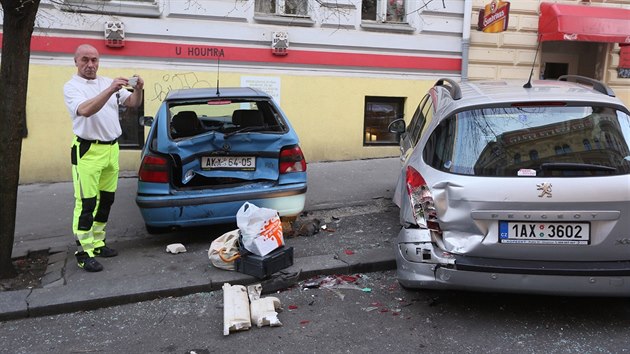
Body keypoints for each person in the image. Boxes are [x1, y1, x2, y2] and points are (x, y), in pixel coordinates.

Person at [63, 44, 144, 272]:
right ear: (76, 61)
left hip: (111, 149)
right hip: (88, 150)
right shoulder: (72, 87)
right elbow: (86, 110)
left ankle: (97, 243)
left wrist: (138, 89)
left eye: (94, 60)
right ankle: (83, 251)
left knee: (106, 200)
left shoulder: (106, 82)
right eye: (85, 60)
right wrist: (110, 90)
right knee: (86, 203)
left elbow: (133, 103)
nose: (90, 65)